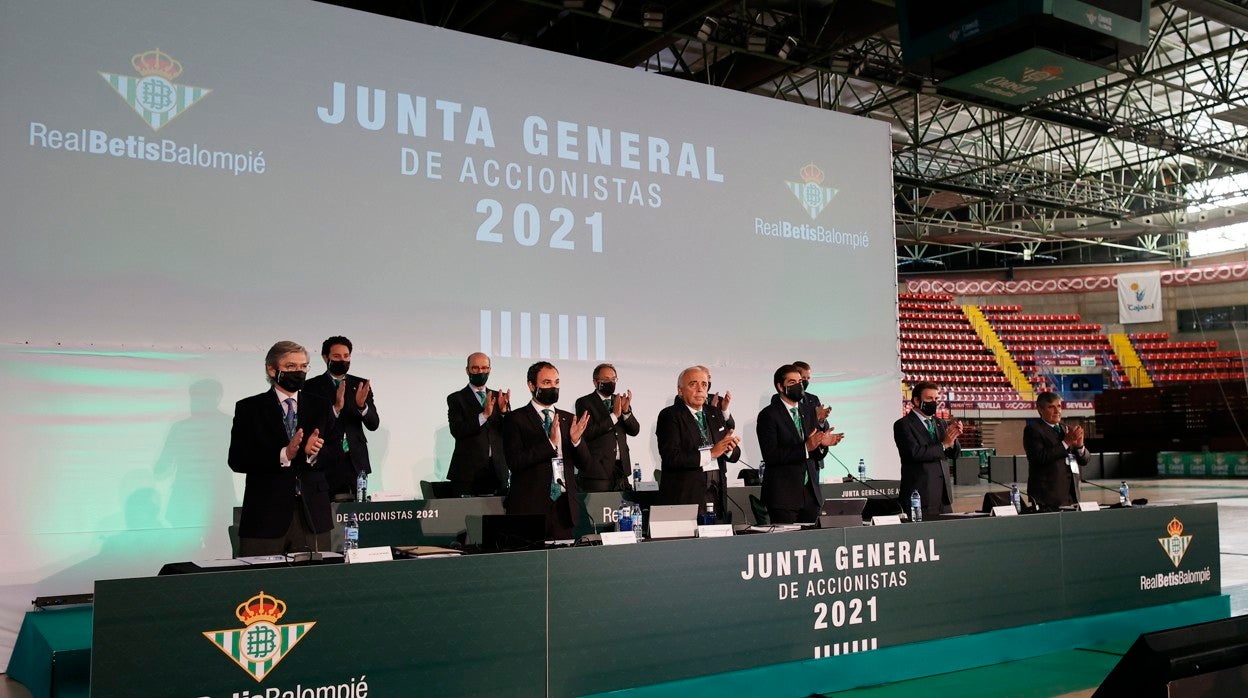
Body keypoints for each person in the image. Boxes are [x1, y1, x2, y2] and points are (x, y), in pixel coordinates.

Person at [228, 341, 335, 556]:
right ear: (271, 369)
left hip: (312, 515)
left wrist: (313, 453)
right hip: (265, 515)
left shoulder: (321, 405)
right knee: (262, 585)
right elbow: (237, 459)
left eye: (303, 366)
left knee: (315, 583)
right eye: (291, 367)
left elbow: (334, 454)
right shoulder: (250, 408)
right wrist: (284, 454)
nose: (299, 372)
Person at [500, 361, 590, 539]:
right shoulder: (515, 419)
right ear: (531, 385)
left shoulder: (569, 419)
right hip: (529, 507)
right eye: (547, 383)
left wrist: (576, 441)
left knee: (563, 563)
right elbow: (515, 462)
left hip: (563, 508)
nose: (553, 387)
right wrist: (550, 445)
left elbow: (586, 464)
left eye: (556, 382)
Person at [757, 365, 843, 523]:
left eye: (800, 381)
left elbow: (815, 453)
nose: (799, 385)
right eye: (792, 382)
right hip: (783, 496)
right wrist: (806, 447)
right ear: (780, 386)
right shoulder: (768, 415)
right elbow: (771, 455)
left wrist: (822, 444)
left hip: (810, 494)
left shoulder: (808, 411)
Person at [656, 366, 740, 519]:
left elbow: (734, 455)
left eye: (704, 384)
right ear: (680, 390)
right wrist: (711, 453)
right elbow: (671, 457)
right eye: (693, 384)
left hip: (716, 494)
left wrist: (728, 448)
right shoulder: (670, 415)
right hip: (685, 496)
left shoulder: (714, 413)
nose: (700, 389)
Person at [303, 336, 379, 501]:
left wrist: (361, 406)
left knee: (356, 514)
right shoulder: (310, 387)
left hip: (355, 463)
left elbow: (373, 424)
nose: (342, 360)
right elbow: (312, 425)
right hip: (325, 460)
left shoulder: (360, 384)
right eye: (337, 356)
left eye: (346, 356)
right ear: (325, 358)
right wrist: (335, 409)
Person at [893, 382, 962, 519]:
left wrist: (953, 440)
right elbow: (914, 453)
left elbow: (954, 454)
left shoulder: (941, 423)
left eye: (936, 399)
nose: (934, 402)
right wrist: (944, 445)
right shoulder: (903, 425)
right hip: (920, 498)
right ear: (916, 400)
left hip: (944, 498)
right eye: (929, 399)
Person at [446, 352, 510, 496]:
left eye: (484, 368)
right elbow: (457, 430)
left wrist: (504, 412)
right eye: (475, 368)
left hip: (497, 472)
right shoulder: (456, 398)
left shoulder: (499, 397)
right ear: (467, 370)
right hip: (467, 474)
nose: (480, 371)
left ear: (490, 370)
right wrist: (484, 415)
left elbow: (509, 433)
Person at [574, 363, 640, 492]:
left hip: (621, 469)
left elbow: (634, 430)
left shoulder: (619, 400)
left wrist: (626, 412)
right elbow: (587, 433)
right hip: (597, 471)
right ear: (595, 382)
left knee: (622, 509)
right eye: (605, 380)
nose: (610, 382)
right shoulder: (584, 402)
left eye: (613, 379)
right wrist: (614, 416)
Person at [1024, 392, 1090, 511]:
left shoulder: (1068, 429)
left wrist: (1080, 446)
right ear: (1040, 409)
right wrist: (1066, 443)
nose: (1057, 411)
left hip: (1071, 494)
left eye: (1059, 406)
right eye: (1051, 407)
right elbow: (1039, 458)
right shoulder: (1033, 430)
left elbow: (1084, 460)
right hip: (1047, 496)